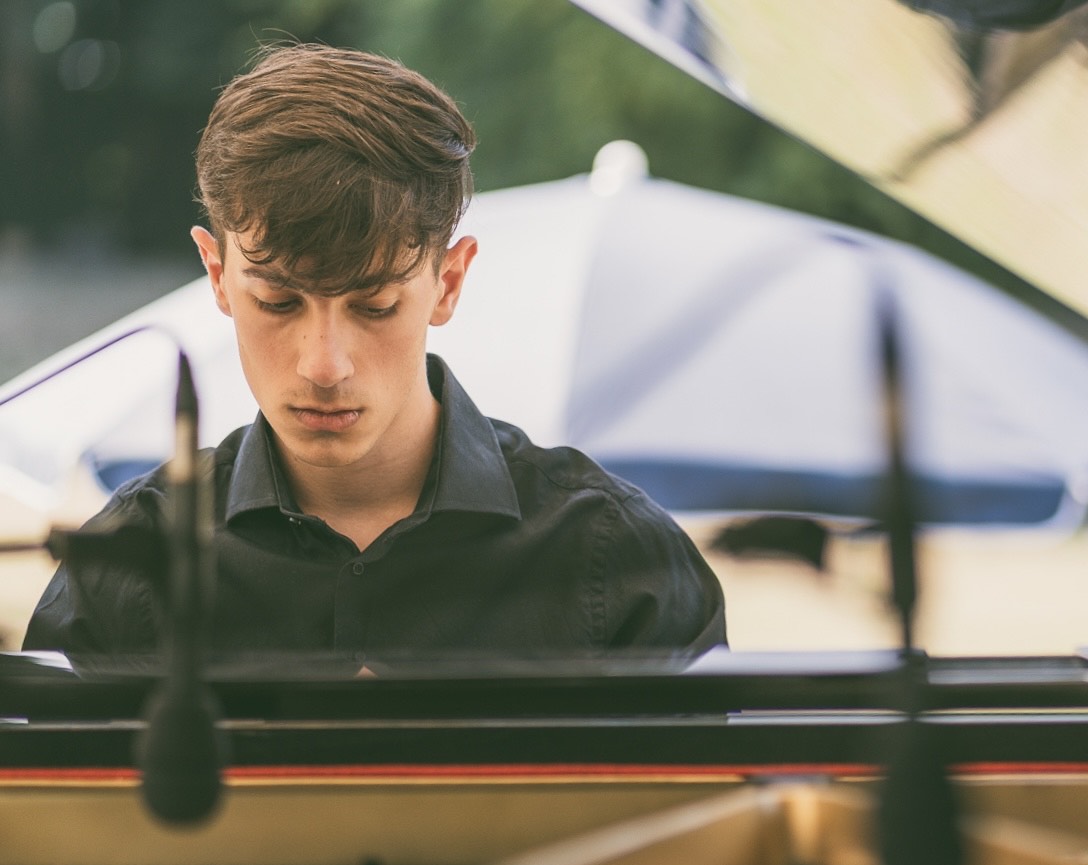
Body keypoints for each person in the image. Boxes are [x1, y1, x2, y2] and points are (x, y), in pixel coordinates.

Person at [25, 45, 725, 664]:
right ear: (216, 276)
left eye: (374, 306)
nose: (323, 365)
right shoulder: (125, 569)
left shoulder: (620, 563)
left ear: (448, 282)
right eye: (278, 302)